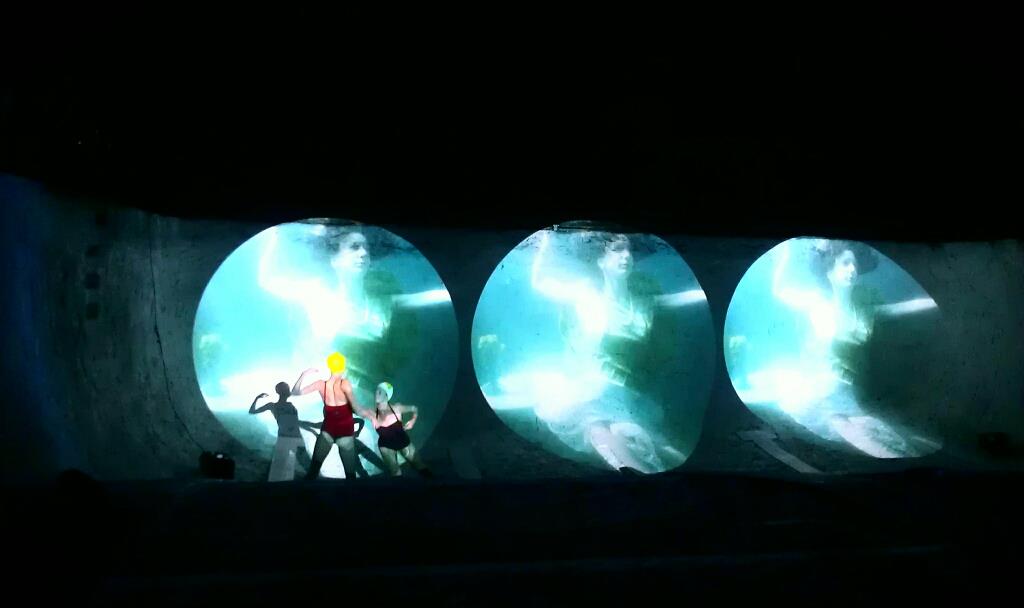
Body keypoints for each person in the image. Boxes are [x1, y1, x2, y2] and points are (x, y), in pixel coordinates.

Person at [487, 228, 702, 474]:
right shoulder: (587, 294)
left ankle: (670, 472)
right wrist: (543, 244)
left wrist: (704, 285)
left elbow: (678, 300)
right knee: (599, 427)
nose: (626, 256)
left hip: (624, 389)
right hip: (591, 385)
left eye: (628, 250)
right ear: (601, 261)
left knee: (625, 433)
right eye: (617, 250)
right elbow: (541, 283)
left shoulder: (643, 300)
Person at [769, 238, 939, 457]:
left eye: (855, 264)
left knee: (889, 440)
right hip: (818, 390)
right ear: (829, 270)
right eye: (845, 263)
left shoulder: (866, 311)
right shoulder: (815, 302)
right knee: (864, 436)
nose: (852, 270)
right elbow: (780, 291)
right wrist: (783, 257)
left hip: (846, 391)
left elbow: (906, 307)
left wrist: (941, 301)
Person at [292, 352, 376, 479]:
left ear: (330, 367)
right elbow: (357, 410)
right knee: (350, 476)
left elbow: (295, 392)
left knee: (312, 472)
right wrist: (371, 414)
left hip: (327, 433)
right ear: (342, 367)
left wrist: (304, 374)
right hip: (345, 435)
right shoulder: (344, 384)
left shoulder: (321, 384)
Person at [248, 381, 317, 481]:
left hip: (291, 437)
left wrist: (312, 430)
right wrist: (257, 398)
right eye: (286, 388)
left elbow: (296, 422)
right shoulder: (274, 405)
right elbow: (252, 411)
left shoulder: (286, 406)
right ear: (281, 391)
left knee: (299, 464)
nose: (288, 390)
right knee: (282, 465)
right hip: (288, 438)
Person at [369, 382, 432, 477]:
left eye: (380, 392)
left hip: (402, 441)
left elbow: (414, 408)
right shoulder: (372, 414)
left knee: (419, 465)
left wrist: (412, 421)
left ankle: (433, 482)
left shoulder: (397, 408)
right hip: (386, 446)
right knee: (395, 472)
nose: (377, 394)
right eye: (376, 392)